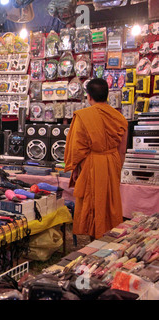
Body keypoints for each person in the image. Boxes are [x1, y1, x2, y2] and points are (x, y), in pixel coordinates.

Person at [64, 78, 128, 240]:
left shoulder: (83, 116)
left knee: (92, 201)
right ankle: (108, 238)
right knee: (109, 201)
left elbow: (77, 149)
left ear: (89, 96)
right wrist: (116, 168)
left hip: (91, 163)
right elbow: (122, 149)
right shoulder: (119, 117)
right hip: (112, 161)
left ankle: (94, 239)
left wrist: (76, 169)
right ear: (107, 95)